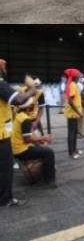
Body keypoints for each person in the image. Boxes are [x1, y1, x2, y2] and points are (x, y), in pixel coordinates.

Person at [0, 58, 38, 207]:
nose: (6, 71)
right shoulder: (0, 85)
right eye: (4, 68)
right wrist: (32, 90)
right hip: (1, 135)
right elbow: (20, 99)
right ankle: (5, 199)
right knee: (5, 169)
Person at [11, 100, 55, 187]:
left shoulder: (19, 115)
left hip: (17, 148)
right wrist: (44, 138)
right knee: (49, 152)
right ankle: (50, 180)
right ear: (28, 107)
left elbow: (29, 135)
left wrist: (40, 140)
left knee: (42, 148)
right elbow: (27, 139)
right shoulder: (25, 119)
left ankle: (42, 174)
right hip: (21, 150)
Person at [63, 68, 83, 159]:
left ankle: (75, 149)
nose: (80, 76)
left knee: (74, 132)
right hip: (72, 113)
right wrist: (78, 111)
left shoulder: (73, 84)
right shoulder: (72, 85)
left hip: (74, 113)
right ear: (75, 76)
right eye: (78, 75)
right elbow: (70, 101)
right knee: (71, 132)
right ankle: (71, 152)